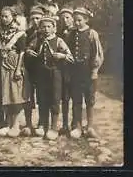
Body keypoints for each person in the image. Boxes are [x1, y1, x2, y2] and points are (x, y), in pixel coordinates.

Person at [26, 16, 73, 140]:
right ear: (40, 28)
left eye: (49, 27)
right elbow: (28, 49)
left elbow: (70, 57)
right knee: (42, 99)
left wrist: (62, 56)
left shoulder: (58, 41)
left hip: (55, 74)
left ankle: (53, 127)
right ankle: (42, 125)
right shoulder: (37, 40)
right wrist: (29, 52)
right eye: (43, 27)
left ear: (54, 28)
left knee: (55, 99)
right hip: (41, 74)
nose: (46, 29)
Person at [0, 7, 30, 138]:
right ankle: (8, 123)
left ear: (13, 17)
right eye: (2, 16)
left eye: (6, 16)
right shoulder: (0, 32)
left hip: (14, 65)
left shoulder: (19, 33)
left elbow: (22, 52)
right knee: (5, 94)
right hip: (1, 65)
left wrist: (18, 68)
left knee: (15, 95)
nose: (4, 18)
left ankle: (16, 125)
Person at [68, 7, 104, 139]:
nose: (77, 23)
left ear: (86, 19)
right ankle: (77, 126)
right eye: (75, 20)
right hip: (75, 73)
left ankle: (90, 126)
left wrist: (95, 70)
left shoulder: (92, 34)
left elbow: (97, 53)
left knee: (89, 99)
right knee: (76, 99)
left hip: (88, 73)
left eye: (79, 20)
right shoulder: (71, 33)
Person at [22, 6, 45, 135]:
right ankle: (28, 123)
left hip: (42, 69)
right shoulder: (27, 32)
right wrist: (27, 51)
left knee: (42, 96)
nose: (36, 21)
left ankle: (42, 123)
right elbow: (22, 47)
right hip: (29, 68)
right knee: (28, 97)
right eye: (33, 18)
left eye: (38, 18)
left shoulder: (46, 32)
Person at [57, 7, 75, 136]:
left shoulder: (76, 33)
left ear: (72, 18)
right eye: (63, 18)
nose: (65, 20)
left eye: (67, 17)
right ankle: (64, 124)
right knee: (64, 97)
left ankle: (75, 124)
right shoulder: (58, 33)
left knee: (76, 97)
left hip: (74, 69)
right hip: (62, 69)